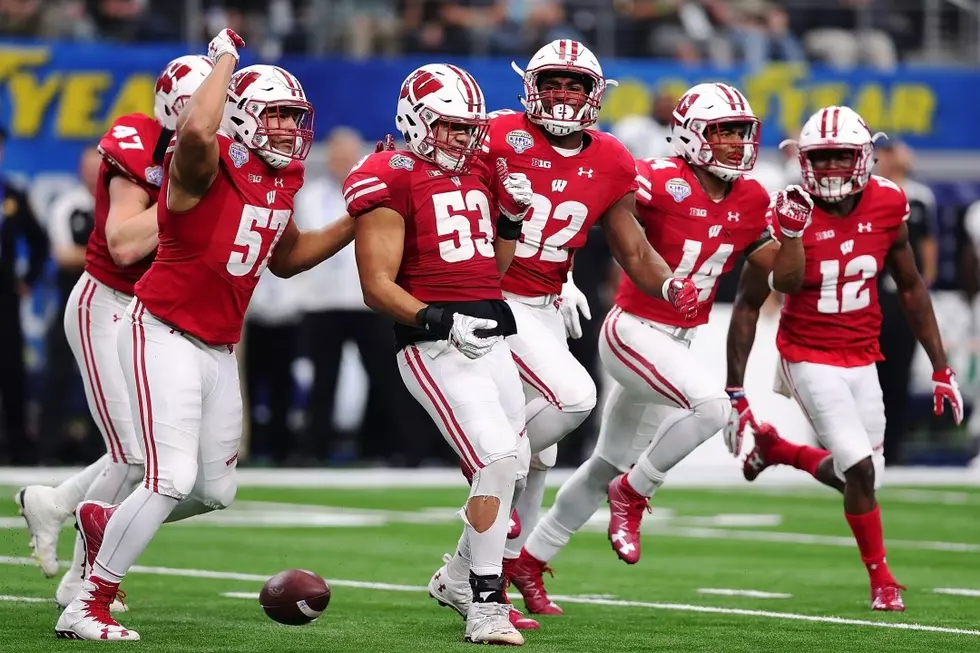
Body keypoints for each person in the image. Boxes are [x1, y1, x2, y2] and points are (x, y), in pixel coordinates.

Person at [56, 29, 354, 641]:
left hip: (217, 345)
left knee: (215, 490)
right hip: (161, 331)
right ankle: (88, 601)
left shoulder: (284, 176)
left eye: (294, 118)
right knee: (167, 479)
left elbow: (289, 257)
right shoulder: (203, 162)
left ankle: (102, 519)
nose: (287, 131)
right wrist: (224, 60)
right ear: (241, 117)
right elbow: (195, 132)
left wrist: (357, 217)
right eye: (274, 117)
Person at [506, 82, 813, 614]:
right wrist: (567, 276)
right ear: (693, 136)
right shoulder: (654, 177)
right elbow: (579, 210)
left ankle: (529, 561)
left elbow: (785, 281)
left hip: (677, 340)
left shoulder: (753, 197)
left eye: (742, 132)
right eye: (724, 133)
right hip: (631, 331)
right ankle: (637, 492)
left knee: (606, 463)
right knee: (712, 408)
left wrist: (792, 235)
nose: (738, 144)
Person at [435, 40, 700, 621]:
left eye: (573, 85)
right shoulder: (497, 132)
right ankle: (488, 463)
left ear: (593, 94)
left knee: (542, 459)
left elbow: (630, 242)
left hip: (548, 301)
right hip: (494, 293)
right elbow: (448, 201)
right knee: (573, 398)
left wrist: (669, 282)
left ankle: (471, 576)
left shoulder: (610, 156)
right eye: (551, 83)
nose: (561, 95)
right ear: (530, 87)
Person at [725, 105, 963, 612]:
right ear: (804, 160)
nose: (831, 168)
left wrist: (942, 368)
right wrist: (736, 386)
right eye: (823, 158)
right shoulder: (787, 208)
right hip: (807, 351)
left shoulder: (889, 202)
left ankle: (778, 450)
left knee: (863, 474)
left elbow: (914, 287)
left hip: (863, 354)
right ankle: (882, 579)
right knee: (859, 470)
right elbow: (751, 300)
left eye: (841, 157)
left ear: (865, 158)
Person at [17, 54, 213, 614]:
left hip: (158, 314)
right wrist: (185, 200)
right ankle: (84, 581)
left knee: (187, 472)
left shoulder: (223, 154)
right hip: (107, 300)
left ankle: (56, 503)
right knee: (133, 455)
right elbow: (124, 244)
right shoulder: (142, 142)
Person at [349, 63, 534, 645]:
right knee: (498, 457)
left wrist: (510, 217)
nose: (463, 138)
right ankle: (485, 602)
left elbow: (494, 270)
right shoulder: (388, 173)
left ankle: (456, 576)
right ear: (415, 120)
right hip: (433, 344)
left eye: (468, 127)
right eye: (450, 126)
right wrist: (437, 319)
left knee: (516, 465)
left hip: (489, 333)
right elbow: (376, 284)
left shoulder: (480, 167)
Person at [0, 123, 49, 465]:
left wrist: (27, 278)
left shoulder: (11, 194)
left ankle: (17, 446)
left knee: (10, 371)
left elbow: (39, 241)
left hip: (4, 293)